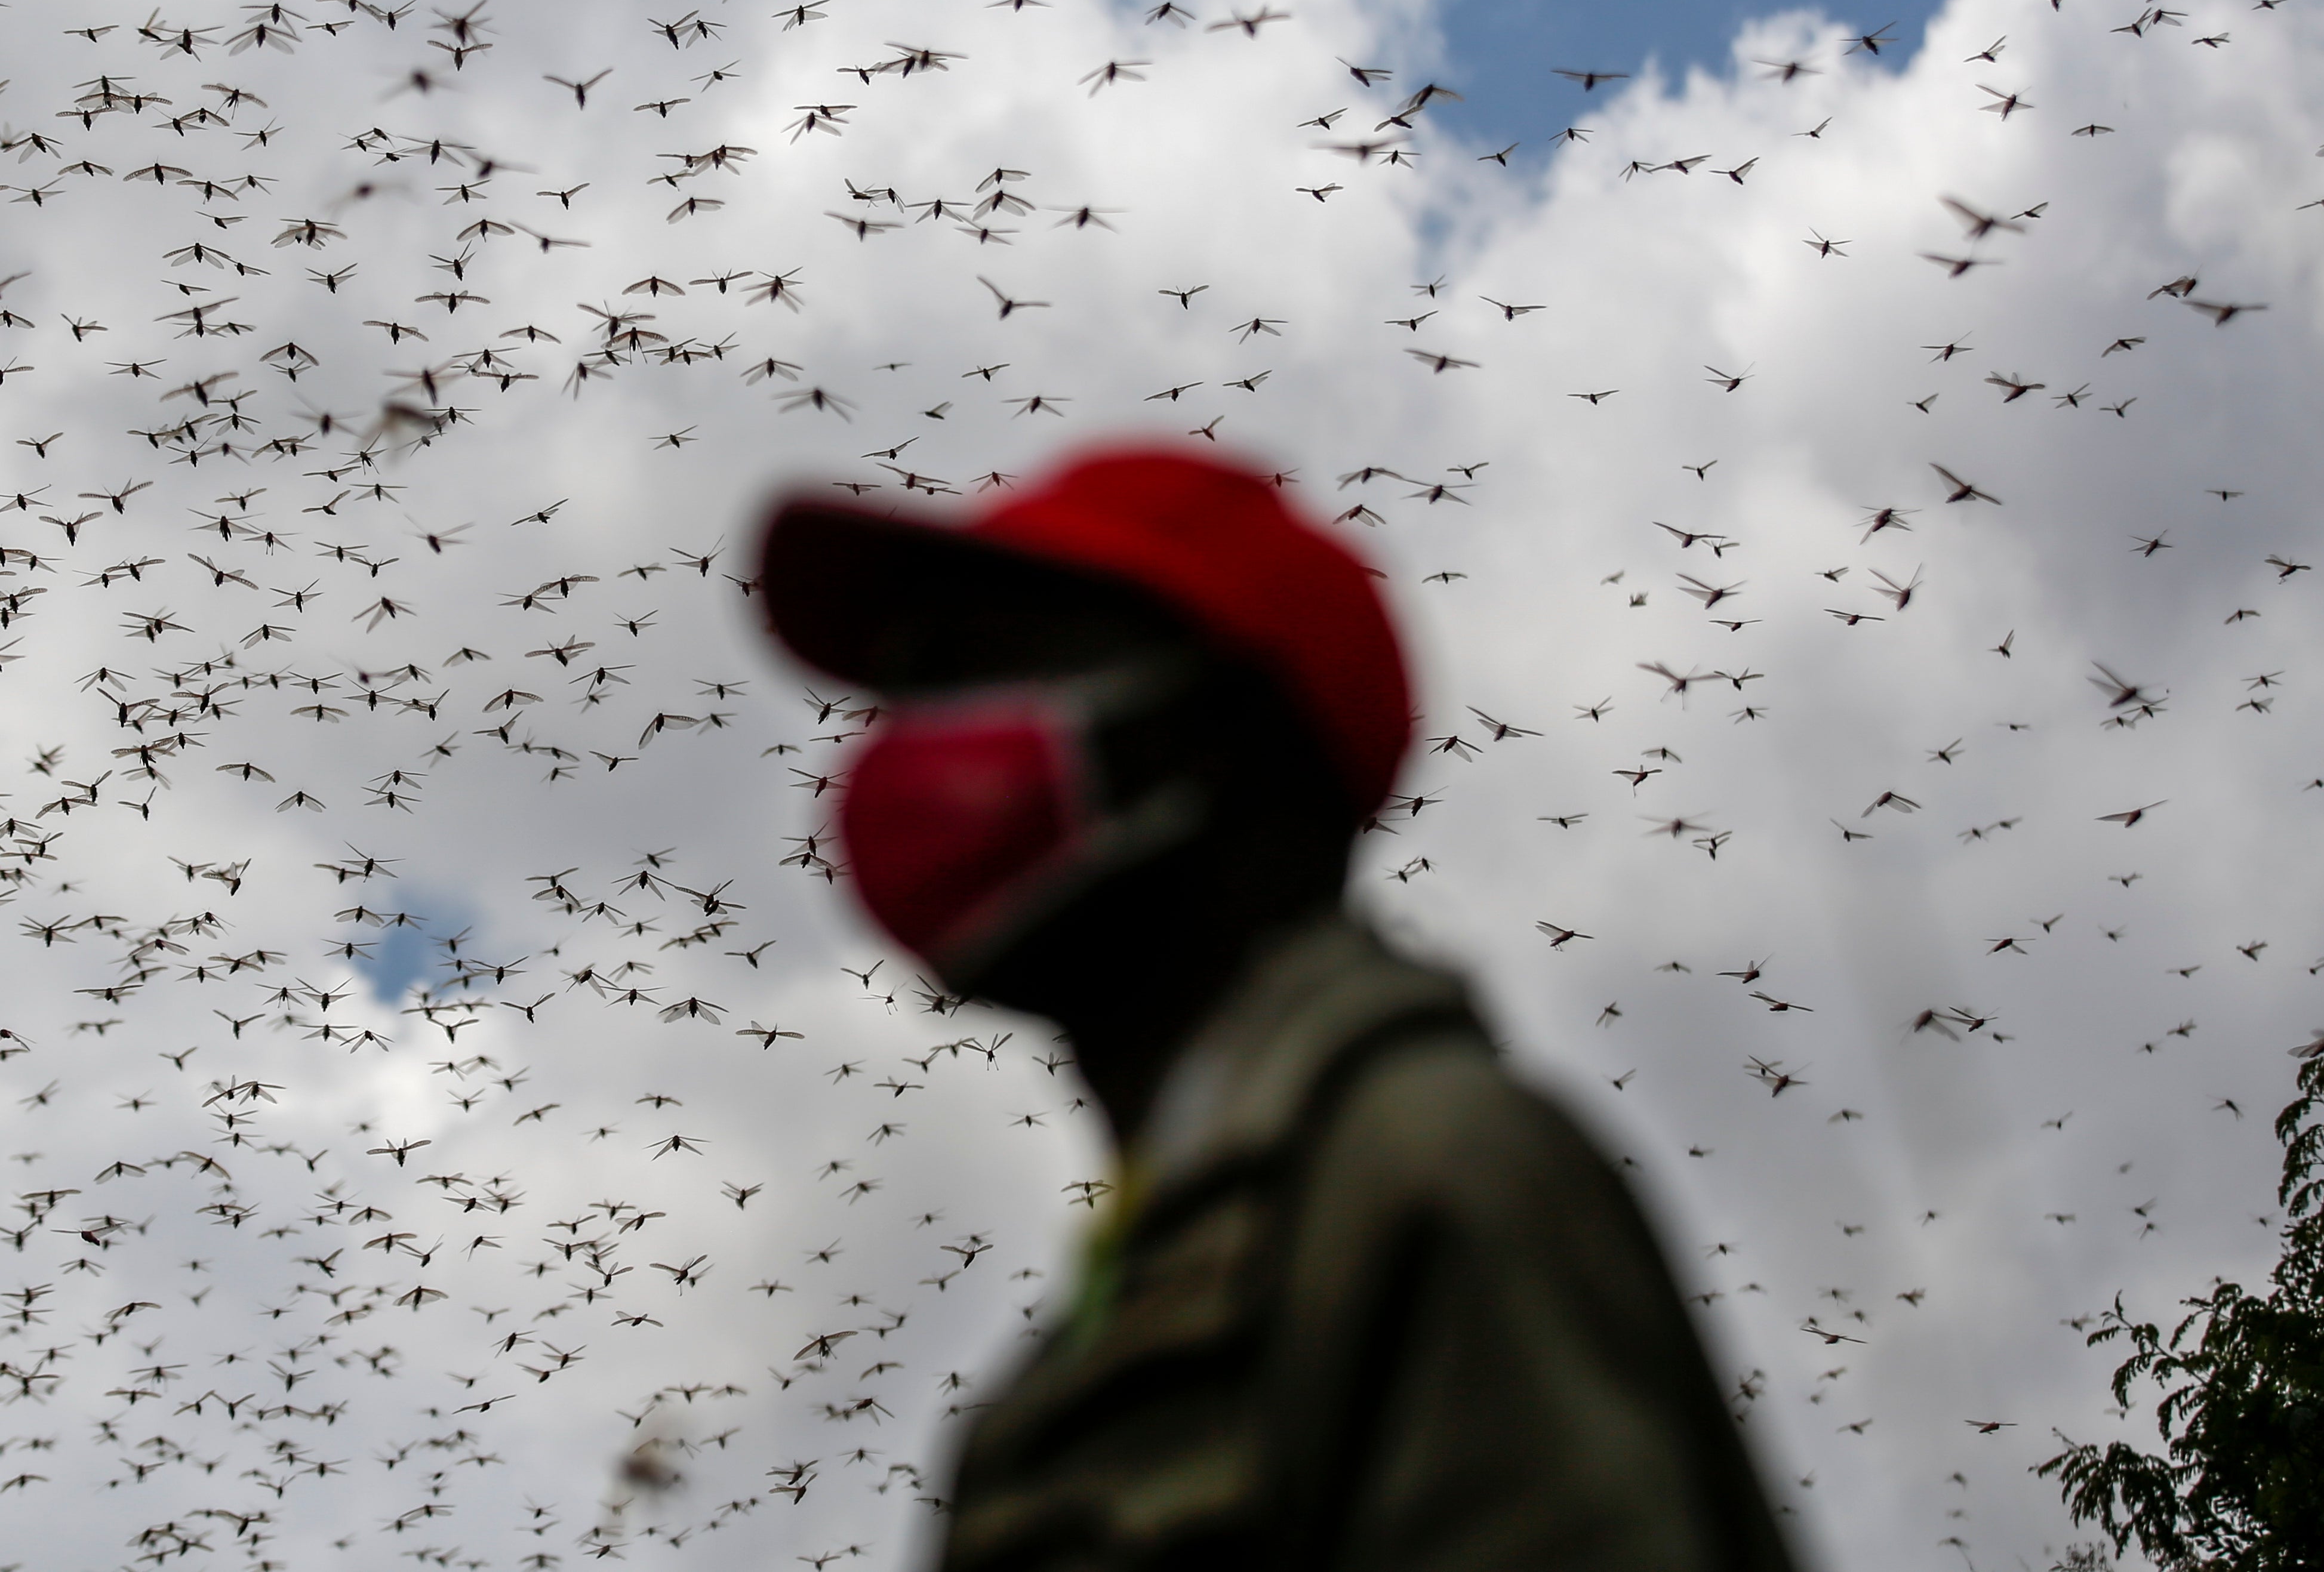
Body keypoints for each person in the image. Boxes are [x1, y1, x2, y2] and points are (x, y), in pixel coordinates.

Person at [758, 445, 1797, 1572]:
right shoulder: (1114, 1327)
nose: (902, 753)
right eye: (906, 694)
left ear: (1227, 729)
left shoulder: (1423, 1175)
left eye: (972, 672)